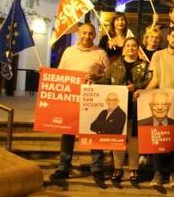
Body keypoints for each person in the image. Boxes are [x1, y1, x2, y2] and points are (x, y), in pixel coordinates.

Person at [48, 23, 110, 187]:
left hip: (92, 99)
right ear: (78, 34)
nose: (87, 36)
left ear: (95, 35)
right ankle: (63, 167)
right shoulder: (69, 51)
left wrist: (97, 76)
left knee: (94, 133)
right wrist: (46, 75)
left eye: (90, 34)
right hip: (71, 99)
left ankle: (97, 169)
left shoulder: (100, 53)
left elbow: (109, 77)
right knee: (67, 134)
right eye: (84, 33)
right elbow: (60, 73)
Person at [140, 25, 174, 190]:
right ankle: (157, 173)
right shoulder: (157, 55)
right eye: (173, 36)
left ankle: (173, 173)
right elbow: (155, 80)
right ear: (168, 37)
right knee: (157, 138)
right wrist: (143, 92)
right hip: (159, 101)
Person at [96, 36, 149, 187]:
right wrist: (91, 83)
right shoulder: (114, 65)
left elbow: (149, 82)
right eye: (128, 45)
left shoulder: (144, 66)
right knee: (118, 140)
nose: (131, 48)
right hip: (118, 109)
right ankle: (117, 169)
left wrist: (137, 86)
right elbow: (105, 81)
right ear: (124, 48)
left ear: (138, 49)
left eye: (134, 46)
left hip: (136, 108)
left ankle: (133, 169)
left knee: (133, 141)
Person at [137, 90, 174, 190]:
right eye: (156, 104)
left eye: (163, 104)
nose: (159, 107)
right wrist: (140, 92)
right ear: (150, 106)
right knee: (155, 141)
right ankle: (157, 174)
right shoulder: (142, 124)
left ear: (169, 106)